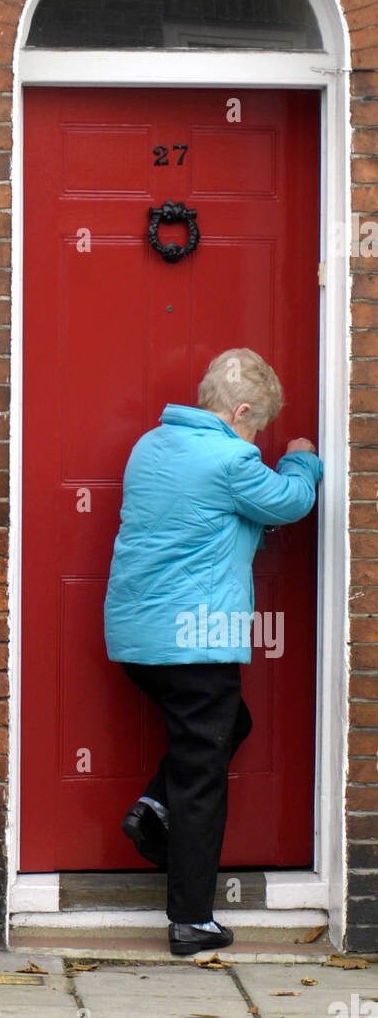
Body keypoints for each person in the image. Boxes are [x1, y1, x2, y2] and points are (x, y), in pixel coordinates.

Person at [103, 348, 322, 957]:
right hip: (194, 640)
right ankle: (191, 919)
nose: (257, 439)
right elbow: (289, 502)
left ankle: (152, 809)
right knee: (203, 776)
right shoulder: (231, 458)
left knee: (229, 726)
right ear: (242, 411)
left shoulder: (150, 445)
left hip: (137, 639)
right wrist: (302, 459)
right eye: (256, 427)